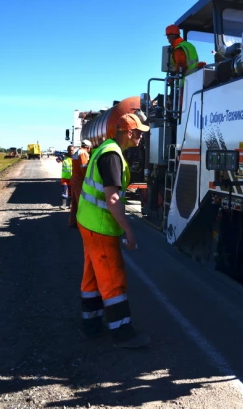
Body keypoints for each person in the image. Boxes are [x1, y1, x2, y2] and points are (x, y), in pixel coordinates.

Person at [76, 113, 151, 349]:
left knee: (92, 274)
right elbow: (113, 198)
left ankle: (90, 323)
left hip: (87, 222)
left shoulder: (106, 148)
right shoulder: (112, 155)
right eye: (139, 132)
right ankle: (122, 332)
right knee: (112, 277)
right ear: (129, 132)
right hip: (100, 226)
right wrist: (128, 230)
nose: (141, 137)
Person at [69, 139, 92, 228]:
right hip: (79, 181)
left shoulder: (76, 152)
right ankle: (82, 224)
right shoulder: (83, 153)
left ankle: (72, 221)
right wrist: (88, 180)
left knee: (75, 202)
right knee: (82, 202)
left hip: (74, 180)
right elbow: (84, 168)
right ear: (88, 147)